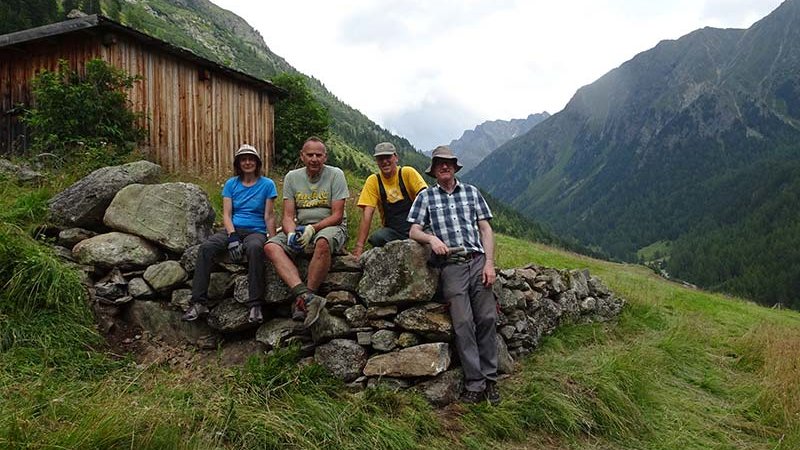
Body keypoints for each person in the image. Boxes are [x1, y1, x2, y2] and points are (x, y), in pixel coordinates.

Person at [407, 145, 500, 405]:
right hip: (451, 266)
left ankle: (491, 380)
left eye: (448, 163)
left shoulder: (471, 192)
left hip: (478, 261)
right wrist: (431, 238)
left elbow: (486, 229)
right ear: (434, 170)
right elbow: (414, 230)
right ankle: (475, 383)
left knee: (487, 318)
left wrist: (489, 263)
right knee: (462, 323)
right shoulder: (426, 197)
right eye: (439, 164)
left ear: (454, 167)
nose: (444, 166)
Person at [183, 144, 278, 324]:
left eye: (251, 159)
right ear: (238, 163)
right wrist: (232, 236)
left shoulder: (268, 184)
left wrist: (273, 241)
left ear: (257, 163)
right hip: (232, 229)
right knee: (207, 247)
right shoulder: (231, 184)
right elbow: (226, 214)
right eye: (243, 159)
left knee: (256, 248)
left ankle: (255, 304)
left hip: (256, 231)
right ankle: (198, 303)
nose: (247, 162)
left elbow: (269, 215)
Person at [264, 137, 349, 328]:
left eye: (318, 155)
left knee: (322, 243)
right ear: (302, 156)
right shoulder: (292, 177)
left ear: (325, 157)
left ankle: (307, 297)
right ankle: (307, 297)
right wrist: (292, 233)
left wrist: (313, 229)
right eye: (310, 155)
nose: (314, 159)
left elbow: (337, 215)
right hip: (301, 226)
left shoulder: (336, 175)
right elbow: (287, 216)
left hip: (330, 227)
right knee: (271, 247)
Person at [353, 142, 427, 258]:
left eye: (388, 157)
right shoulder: (373, 181)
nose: (384, 161)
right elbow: (367, 213)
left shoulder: (407, 173)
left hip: (417, 228)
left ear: (396, 157)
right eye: (380, 158)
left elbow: (425, 198)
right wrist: (359, 247)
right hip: (394, 231)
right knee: (377, 238)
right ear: (376, 161)